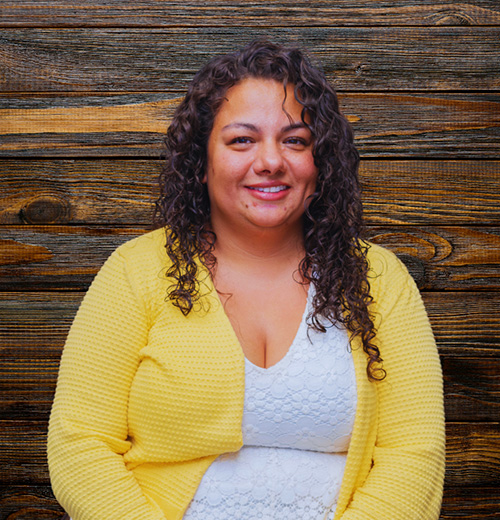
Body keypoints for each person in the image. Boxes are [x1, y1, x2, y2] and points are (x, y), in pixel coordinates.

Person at [47, 40, 445, 520]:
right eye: (242, 140)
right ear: (201, 161)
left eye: (295, 140)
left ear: (320, 164)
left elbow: (414, 453)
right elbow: (80, 445)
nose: (271, 161)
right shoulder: (136, 272)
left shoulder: (379, 278)